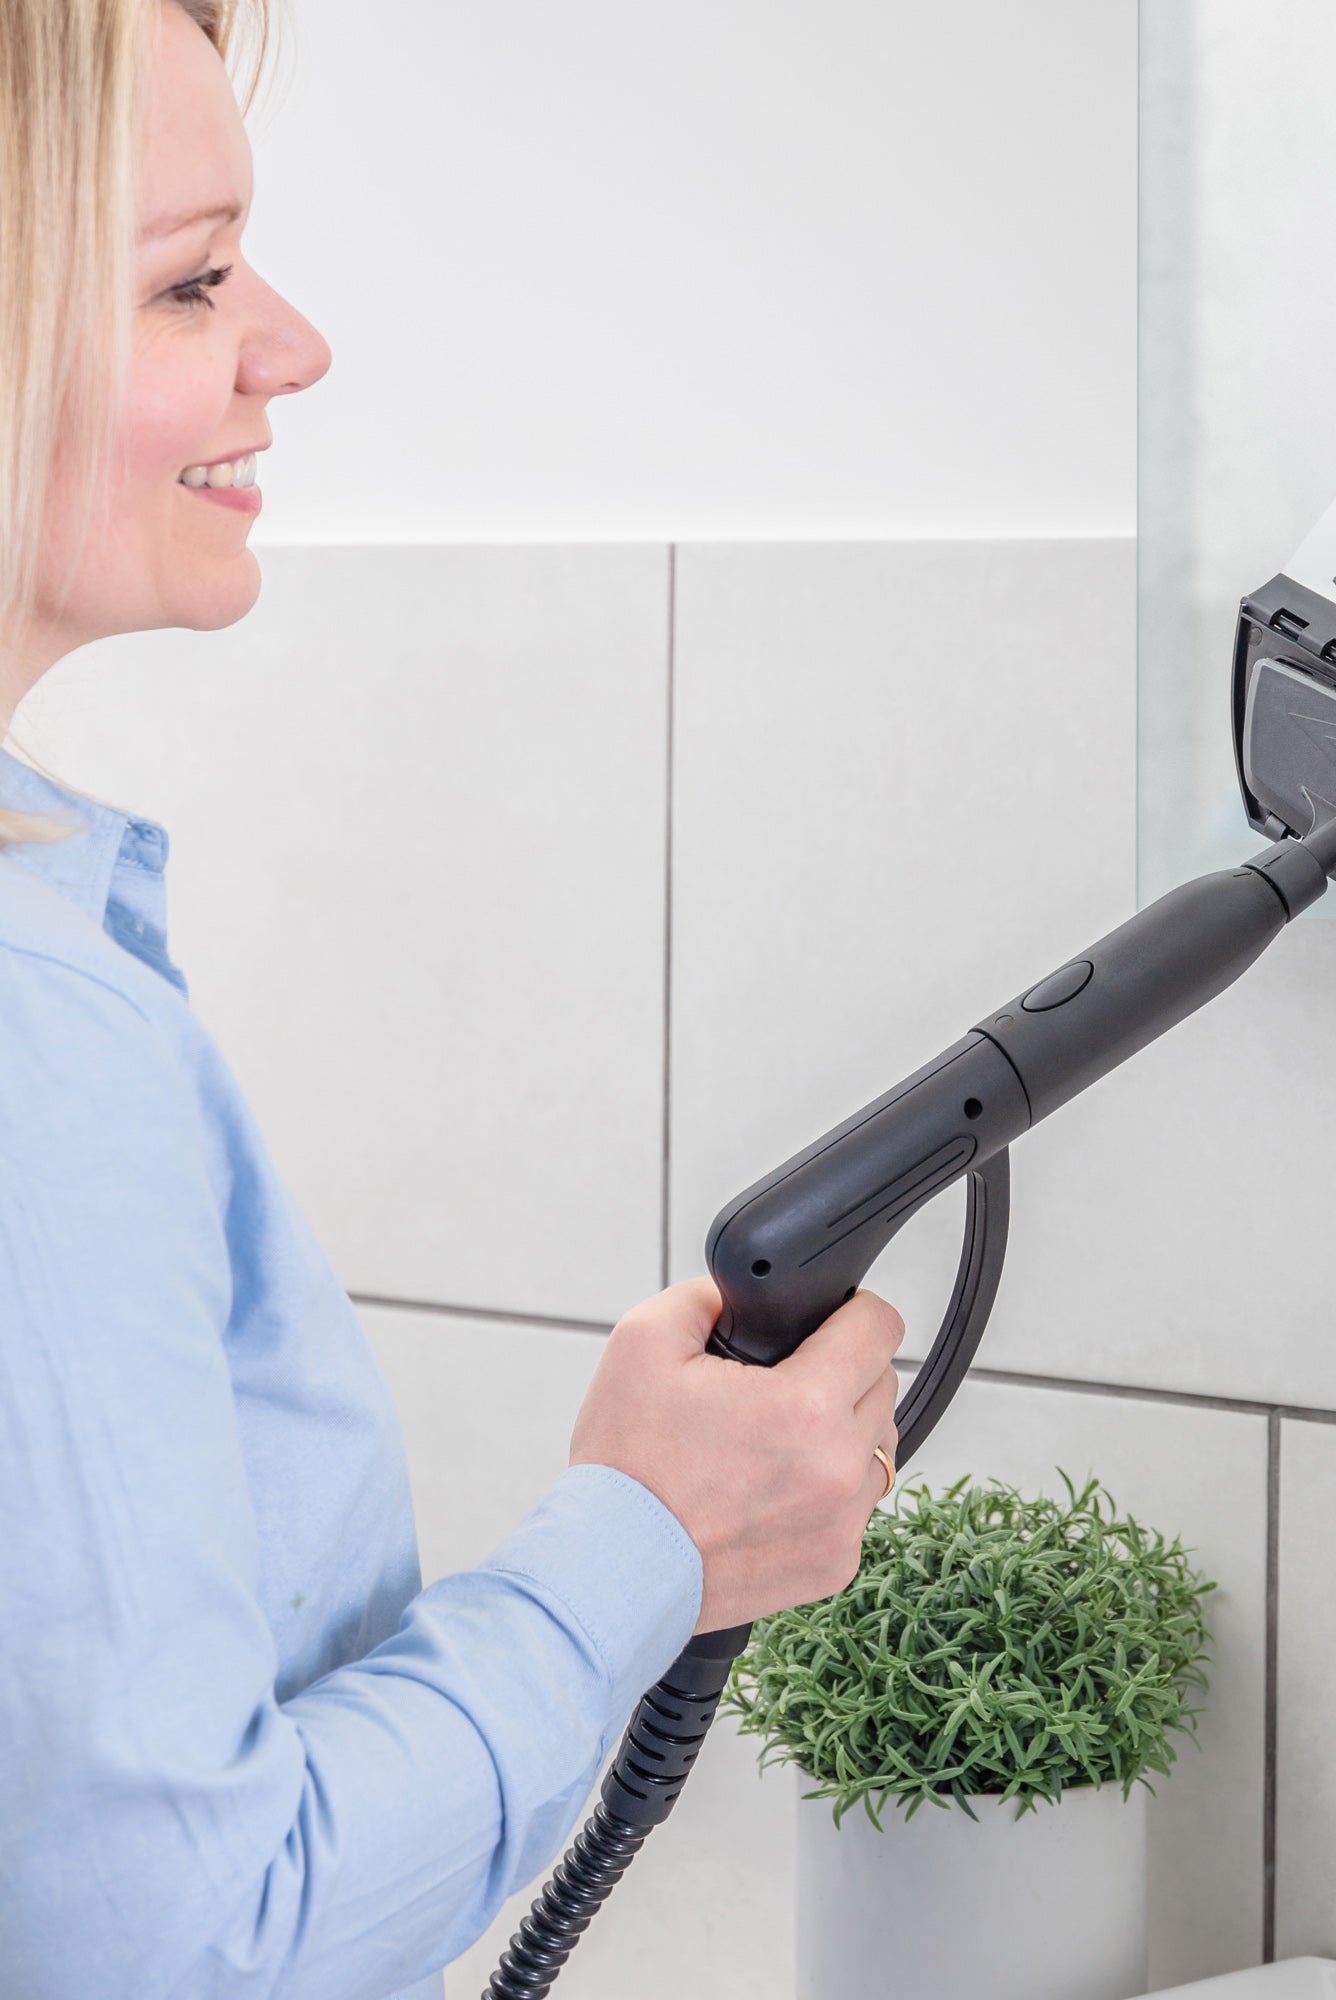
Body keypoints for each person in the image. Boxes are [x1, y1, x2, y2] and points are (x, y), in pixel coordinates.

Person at [0, 5, 904, 1995]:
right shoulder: (29, 1034)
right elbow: (168, 1951)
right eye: (190, 278)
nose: (289, 344)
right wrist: (640, 1537)